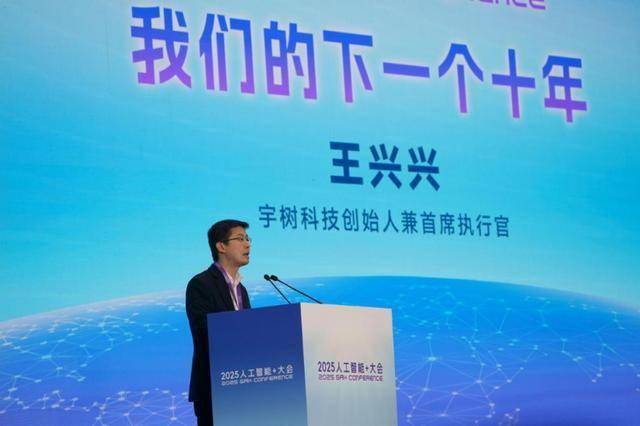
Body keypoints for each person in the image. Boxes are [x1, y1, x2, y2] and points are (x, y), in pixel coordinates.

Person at [186, 219, 252, 426]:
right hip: (214, 389)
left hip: (245, 389)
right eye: (240, 239)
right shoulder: (200, 284)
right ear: (221, 246)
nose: (247, 244)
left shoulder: (242, 290)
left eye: (248, 239)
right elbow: (204, 332)